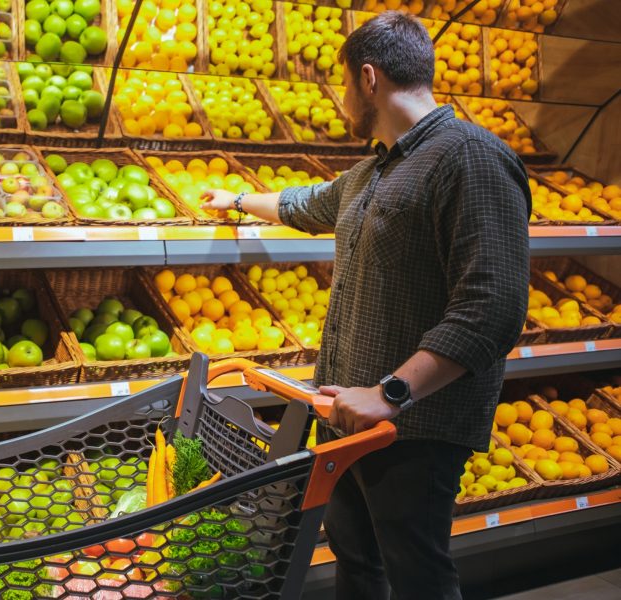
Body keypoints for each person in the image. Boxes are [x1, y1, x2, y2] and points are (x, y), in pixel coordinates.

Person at [201, 11, 531, 600]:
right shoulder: (377, 169)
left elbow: (493, 306)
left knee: (418, 574)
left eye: (345, 84)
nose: (342, 98)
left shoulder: (472, 159)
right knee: (357, 560)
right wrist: (236, 198)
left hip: (414, 424)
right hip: (345, 414)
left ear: (369, 79)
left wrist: (389, 395)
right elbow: (307, 203)